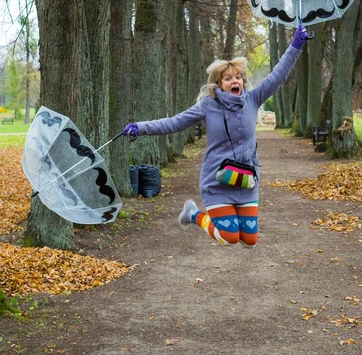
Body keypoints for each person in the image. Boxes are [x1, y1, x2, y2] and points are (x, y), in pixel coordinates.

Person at [123, 24, 309, 248]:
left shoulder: (253, 99)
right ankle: (194, 215)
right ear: (219, 84)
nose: (235, 81)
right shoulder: (207, 106)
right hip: (217, 181)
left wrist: (296, 45)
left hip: (246, 181)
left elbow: (278, 75)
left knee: (250, 240)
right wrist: (140, 127)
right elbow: (173, 123)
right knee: (230, 238)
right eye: (228, 78)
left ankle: (201, 215)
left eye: (238, 77)